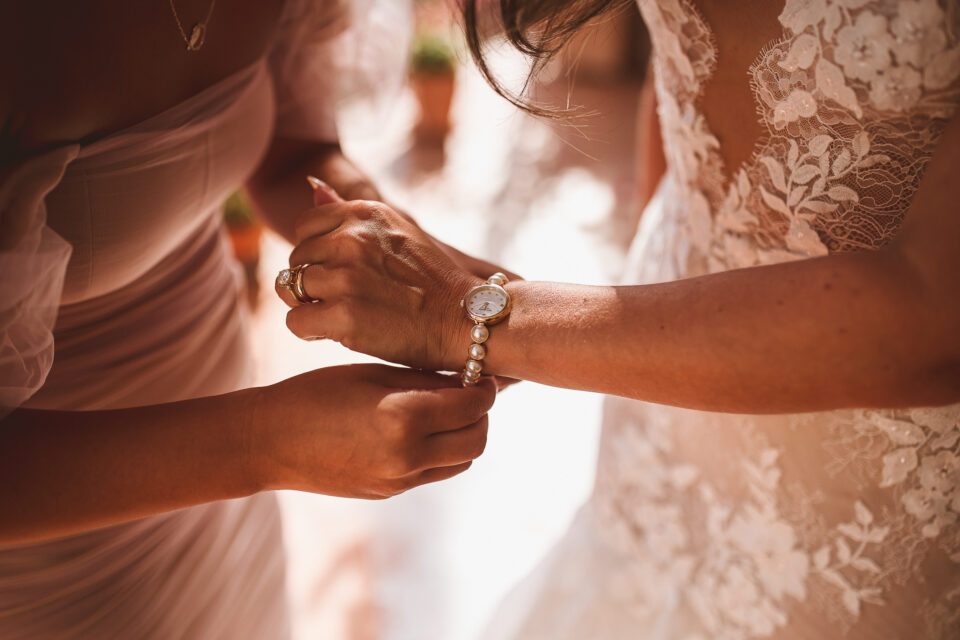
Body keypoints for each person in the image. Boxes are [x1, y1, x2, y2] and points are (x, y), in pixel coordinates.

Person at [280, 0, 960, 637]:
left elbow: (936, 315)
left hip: (872, 487)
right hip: (657, 404)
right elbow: (686, 75)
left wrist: (470, 313)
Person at [0, 1, 505, 637]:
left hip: (218, 414)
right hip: (60, 533)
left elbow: (291, 151)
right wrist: (263, 444)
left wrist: (431, 276)